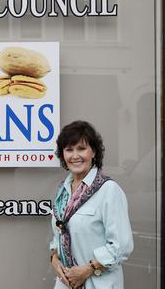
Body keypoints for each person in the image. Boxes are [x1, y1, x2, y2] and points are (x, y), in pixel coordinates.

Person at [49, 121, 133, 289]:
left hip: (99, 284)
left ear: (93, 152)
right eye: (69, 150)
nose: (75, 156)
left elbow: (121, 246)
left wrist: (87, 270)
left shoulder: (109, 190)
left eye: (81, 148)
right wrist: (54, 259)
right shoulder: (62, 192)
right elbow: (59, 234)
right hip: (65, 285)